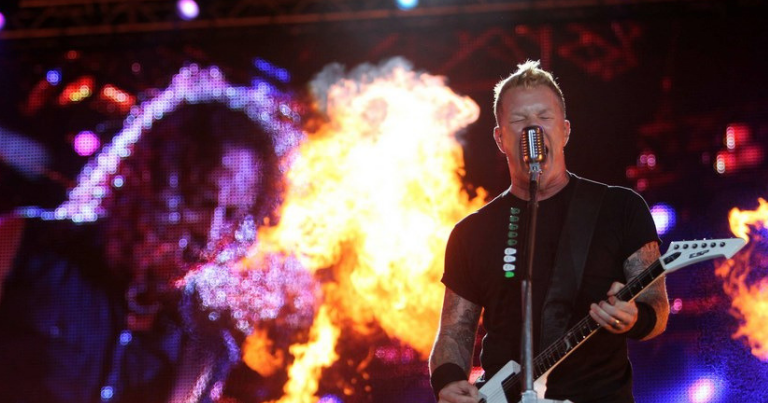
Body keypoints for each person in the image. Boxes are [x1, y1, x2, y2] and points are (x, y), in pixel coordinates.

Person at [0, 103, 284, 403]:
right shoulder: (29, 245)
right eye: (201, 200)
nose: (210, 232)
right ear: (149, 180)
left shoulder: (202, 351)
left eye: (232, 214)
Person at [428, 60, 670, 403]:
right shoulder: (471, 232)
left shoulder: (619, 208)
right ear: (500, 138)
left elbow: (656, 306)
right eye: (519, 120)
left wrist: (635, 318)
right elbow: (455, 330)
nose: (533, 128)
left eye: (544, 117)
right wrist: (448, 381)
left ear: (565, 131)